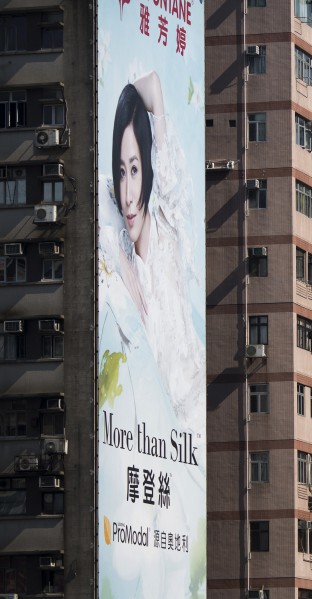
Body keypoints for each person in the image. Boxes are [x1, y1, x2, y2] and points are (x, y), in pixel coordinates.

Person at [105, 71, 204, 430]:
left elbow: (154, 85)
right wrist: (118, 255)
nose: (128, 193)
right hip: (153, 435)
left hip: (192, 420)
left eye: (134, 169)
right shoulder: (120, 252)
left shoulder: (170, 225)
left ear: (148, 167)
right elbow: (101, 203)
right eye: (121, 172)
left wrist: (152, 100)